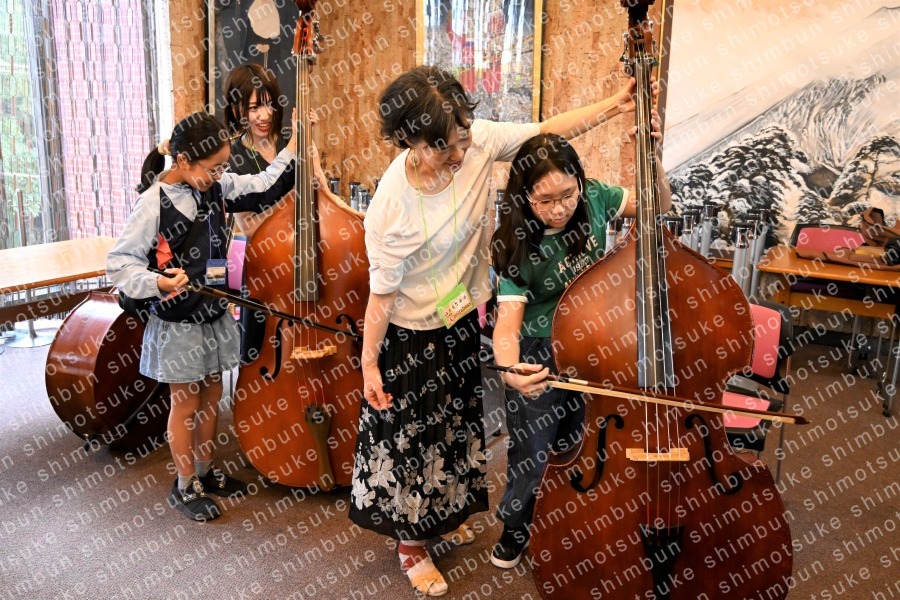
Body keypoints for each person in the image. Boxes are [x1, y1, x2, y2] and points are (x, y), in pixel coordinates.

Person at [350, 64, 649, 597]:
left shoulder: (477, 140)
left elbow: (547, 130)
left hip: (461, 316)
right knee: (415, 438)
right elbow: (382, 296)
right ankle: (411, 544)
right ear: (408, 140)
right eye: (442, 146)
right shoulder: (391, 206)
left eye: (462, 136)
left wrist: (615, 104)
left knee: (458, 427)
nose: (459, 153)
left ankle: (445, 518)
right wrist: (370, 362)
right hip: (411, 330)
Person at [489, 130, 671, 569]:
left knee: (583, 444)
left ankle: (572, 518)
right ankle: (516, 526)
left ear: (580, 183)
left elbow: (658, 204)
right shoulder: (515, 240)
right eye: (545, 200)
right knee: (533, 451)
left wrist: (653, 158)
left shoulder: (596, 198)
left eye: (568, 195)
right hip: (537, 348)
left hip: (592, 341)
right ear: (524, 195)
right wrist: (509, 369)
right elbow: (507, 323)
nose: (560, 209)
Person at [106, 110, 297, 521]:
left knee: (212, 395)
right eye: (212, 168)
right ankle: (185, 483)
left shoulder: (216, 186)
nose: (219, 175)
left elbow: (264, 185)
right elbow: (119, 265)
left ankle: (206, 471)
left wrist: (294, 145)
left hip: (213, 311)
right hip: (177, 322)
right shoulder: (153, 202)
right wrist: (158, 282)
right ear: (183, 160)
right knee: (186, 403)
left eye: (223, 167)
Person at [222, 63, 335, 364]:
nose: (264, 115)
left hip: (305, 261)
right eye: (254, 108)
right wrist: (294, 196)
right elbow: (250, 225)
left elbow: (323, 194)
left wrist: (308, 144)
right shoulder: (233, 157)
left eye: (269, 104)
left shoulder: (292, 139)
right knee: (261, 353)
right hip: (265, 268)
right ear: (237, 110)